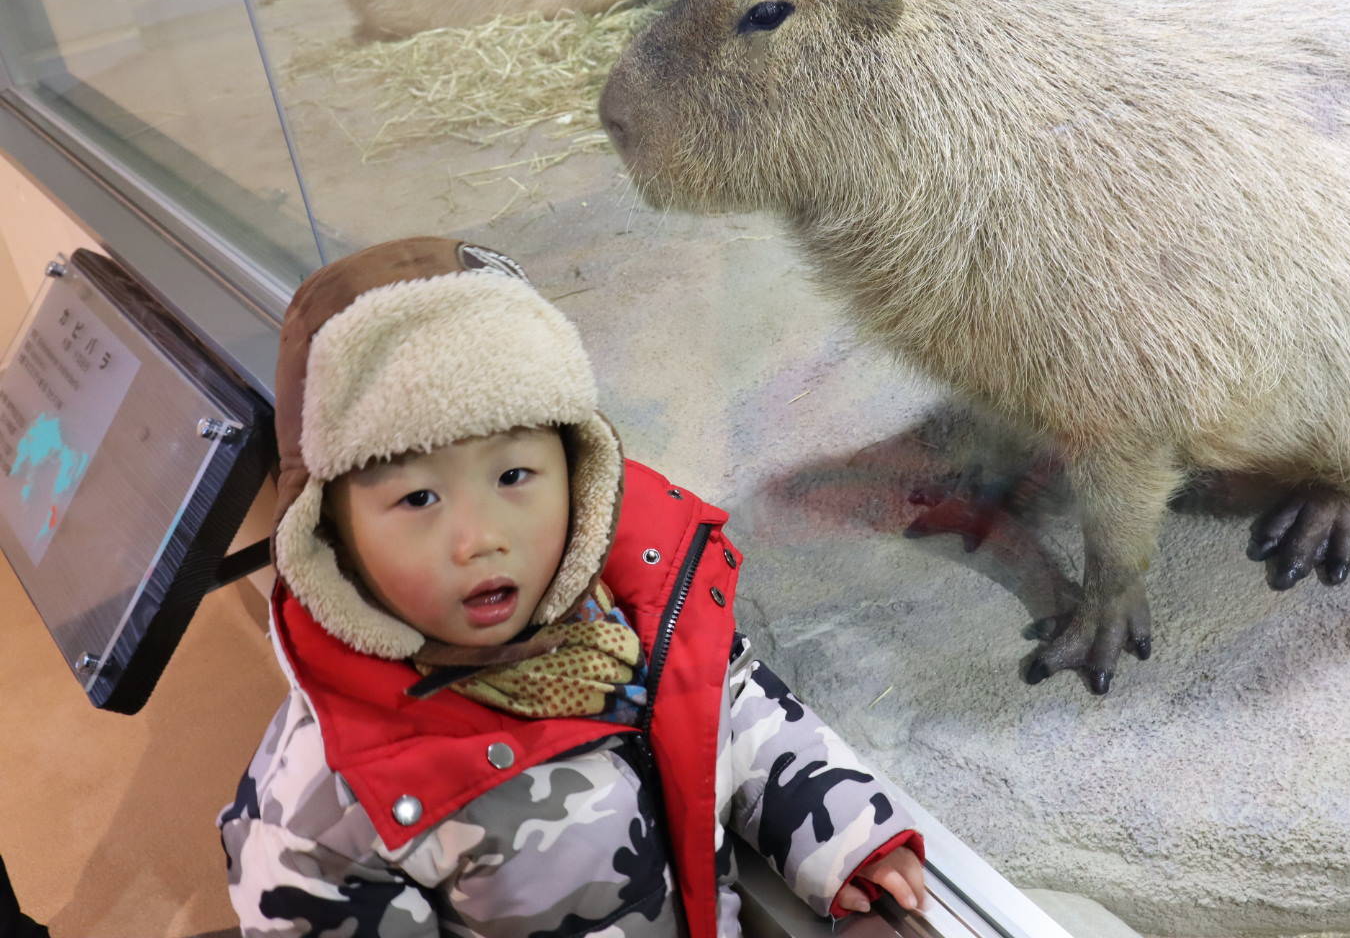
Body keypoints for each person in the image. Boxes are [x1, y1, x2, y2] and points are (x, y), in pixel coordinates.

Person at [218, 237, 924, 938]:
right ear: (330, 534)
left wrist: (853, 840)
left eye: (514, 477)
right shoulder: (317, 818)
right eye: (418, 500)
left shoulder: (636, 608)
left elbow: (735, 716)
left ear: (576, 470)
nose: (480, 539)